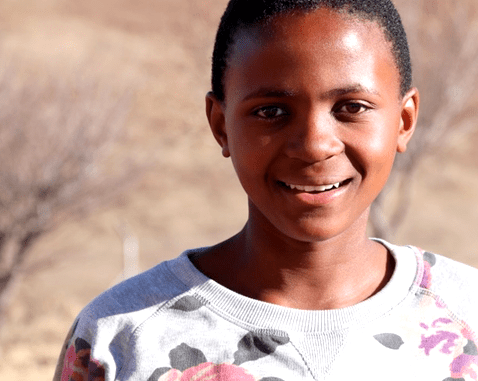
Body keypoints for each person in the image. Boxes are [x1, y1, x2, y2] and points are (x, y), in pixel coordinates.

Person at [54, 1, 478, 380]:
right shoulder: (120, 339)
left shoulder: (467, 315)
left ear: (403, 121)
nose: (314, 144)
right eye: (271, 111)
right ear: (221, 126)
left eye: (351, 107)